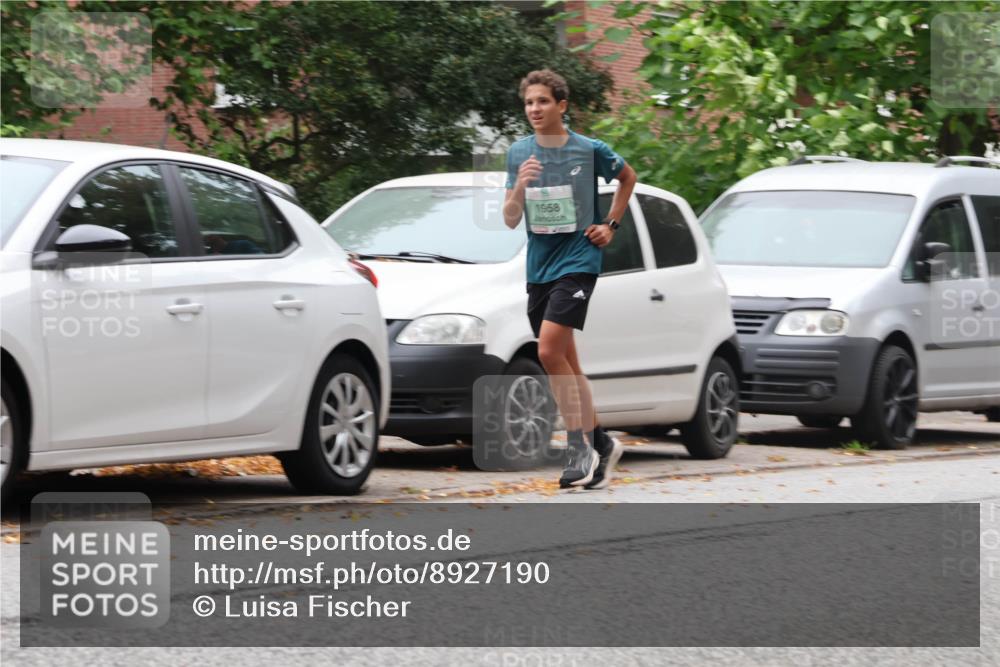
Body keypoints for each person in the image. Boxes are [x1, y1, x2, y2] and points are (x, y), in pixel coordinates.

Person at [502, 69, 637, 489]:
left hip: (578, 261)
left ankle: (579, 447)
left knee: (547, 351)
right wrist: (519, 187)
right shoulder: (518, 154)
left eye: (542, 101)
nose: (534, 109)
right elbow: (509, 221)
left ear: (561, 106)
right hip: (539, 267)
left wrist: (611, 224)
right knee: (568, 364)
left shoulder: (589, 149)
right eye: (529, 103)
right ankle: (604, 444)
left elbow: (627, 177)